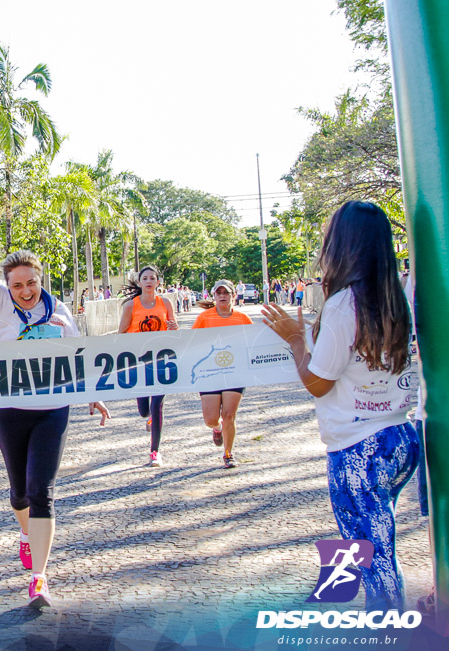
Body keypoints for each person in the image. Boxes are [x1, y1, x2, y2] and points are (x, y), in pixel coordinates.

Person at [262, 201, 419, 611]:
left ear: (341, 245)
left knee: (375, 561)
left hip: (358, 450)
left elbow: (317, 383)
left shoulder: (343, 305)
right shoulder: (398, 296)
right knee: (372, 549)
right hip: (400, 436)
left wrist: (295, 339)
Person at [0, 190, 109, 608]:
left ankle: (39, 578)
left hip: (53, 409)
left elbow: (78, 361)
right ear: (7, 287)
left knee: (41, 490)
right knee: (18, 494)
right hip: (10, 409)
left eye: (31, 283)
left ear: (40, 280)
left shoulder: (61, 312)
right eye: (17, 285)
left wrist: (92, 395)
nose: (25, 290)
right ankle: (26, 535)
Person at [117, 265, 178, 467]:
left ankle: (155, 451)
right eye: (146, 278)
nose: (149, 281)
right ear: (140, 282)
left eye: (153, 278)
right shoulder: (131, 306)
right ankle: (149, 419)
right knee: (144, 410)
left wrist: (174, 328)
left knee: (157, 405)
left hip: (161, 361)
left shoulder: (165, 303)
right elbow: (121, 333)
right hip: (139, 362)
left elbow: (173, 328)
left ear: (158, 282)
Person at [192, 280, 253, 468]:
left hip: (234, 372)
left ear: (233, 295)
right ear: (214, 296)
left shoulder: (243, 318)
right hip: (210, 373)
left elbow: (254, 342)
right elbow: (192, 342)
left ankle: (228, 453)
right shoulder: (204, 318)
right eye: (218, 293)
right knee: (211, 419)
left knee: (229, 415)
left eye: (225, 292)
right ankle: (216, 429)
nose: (222, 296)